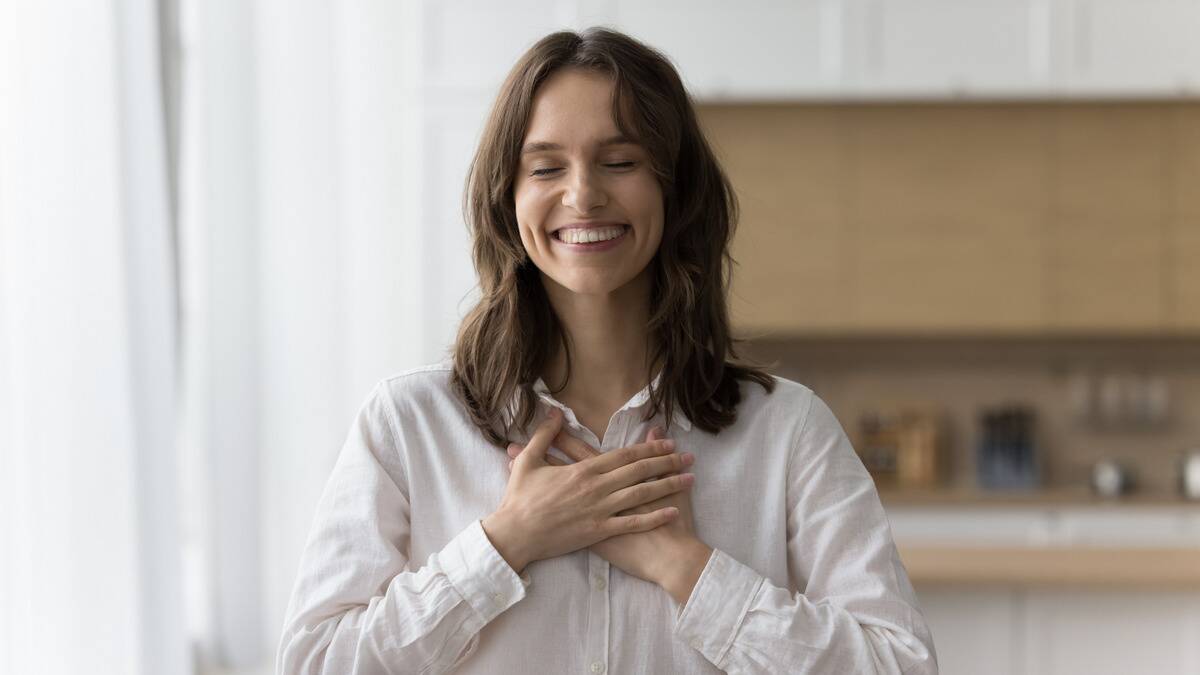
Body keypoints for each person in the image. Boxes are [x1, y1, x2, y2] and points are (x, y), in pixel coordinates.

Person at [276, 27, 938, 675]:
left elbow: (902, 663)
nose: (583, 193)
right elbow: (315, 661)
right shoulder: (406, 423)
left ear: (675, 191)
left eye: (620, 162)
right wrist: (507, 541)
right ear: (508, 199)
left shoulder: (788, 430)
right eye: (545, 167)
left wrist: (683, 566)